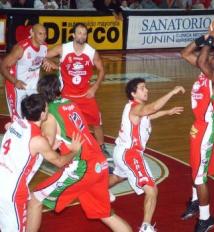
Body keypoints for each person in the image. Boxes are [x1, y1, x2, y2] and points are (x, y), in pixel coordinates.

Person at [26, 74, 132, 232]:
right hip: (98, 161)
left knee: (35, 199)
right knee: (106, 215)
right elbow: (69, 131)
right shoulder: (70, 103)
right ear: (59, 89)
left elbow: (46, 144)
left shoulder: (49, 114)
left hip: (82, 166)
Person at [109, 78, 185, 232]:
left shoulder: (134, 108)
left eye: (146, 87)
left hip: (121, 152)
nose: (147, 90)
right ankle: (146, 227)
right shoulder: (136, 108)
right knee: (152, 190)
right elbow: (151, 109)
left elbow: (149, 115)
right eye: (142, 88)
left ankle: (97, 191)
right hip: (130, 154)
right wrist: (172, 92)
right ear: (133, 93)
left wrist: (167, 112)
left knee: (118, 176)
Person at [0, 94, 82, 232]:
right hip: (12, 192)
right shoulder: (38, 140)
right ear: (43, 114)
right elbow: (60, 162)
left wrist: (49, 148)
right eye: (46, 108)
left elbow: (26, 150)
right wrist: (74, 151)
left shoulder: (16, 124)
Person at [180, 23, 214, 232]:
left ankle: (206, 218)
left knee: (200, 177)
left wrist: (211, 39)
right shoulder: (206, 71)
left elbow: (202, 59)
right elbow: (185, 53)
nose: (211, 56)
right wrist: (205, 37)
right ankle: (195, 202)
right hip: (198, 127)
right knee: (196, 170)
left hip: (208, 130)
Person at [45, 22, 111, 157]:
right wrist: (49, 62)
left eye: (84, 33)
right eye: (79, 33)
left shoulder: (91, 52)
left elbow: (102, 70)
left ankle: (101, 147)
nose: (82, 36)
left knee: (97, 122)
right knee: (60, 122)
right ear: (73, 35)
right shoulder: (64, 48)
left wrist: (95, 86)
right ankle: (57, 146)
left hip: (85, 95)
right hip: (66, 96)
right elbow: (43, 55)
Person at [0, 24, 50, 120]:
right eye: (40, 34)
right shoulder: (21, 48)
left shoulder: (44, 46)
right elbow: (2, 66)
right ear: (32, 33)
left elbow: (39, 57)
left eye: (45, 34)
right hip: (16, 86)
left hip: (33, 86)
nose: (43, 37)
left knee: (38, 115)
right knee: (18, 118)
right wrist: (15, 81)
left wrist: (46, 61)